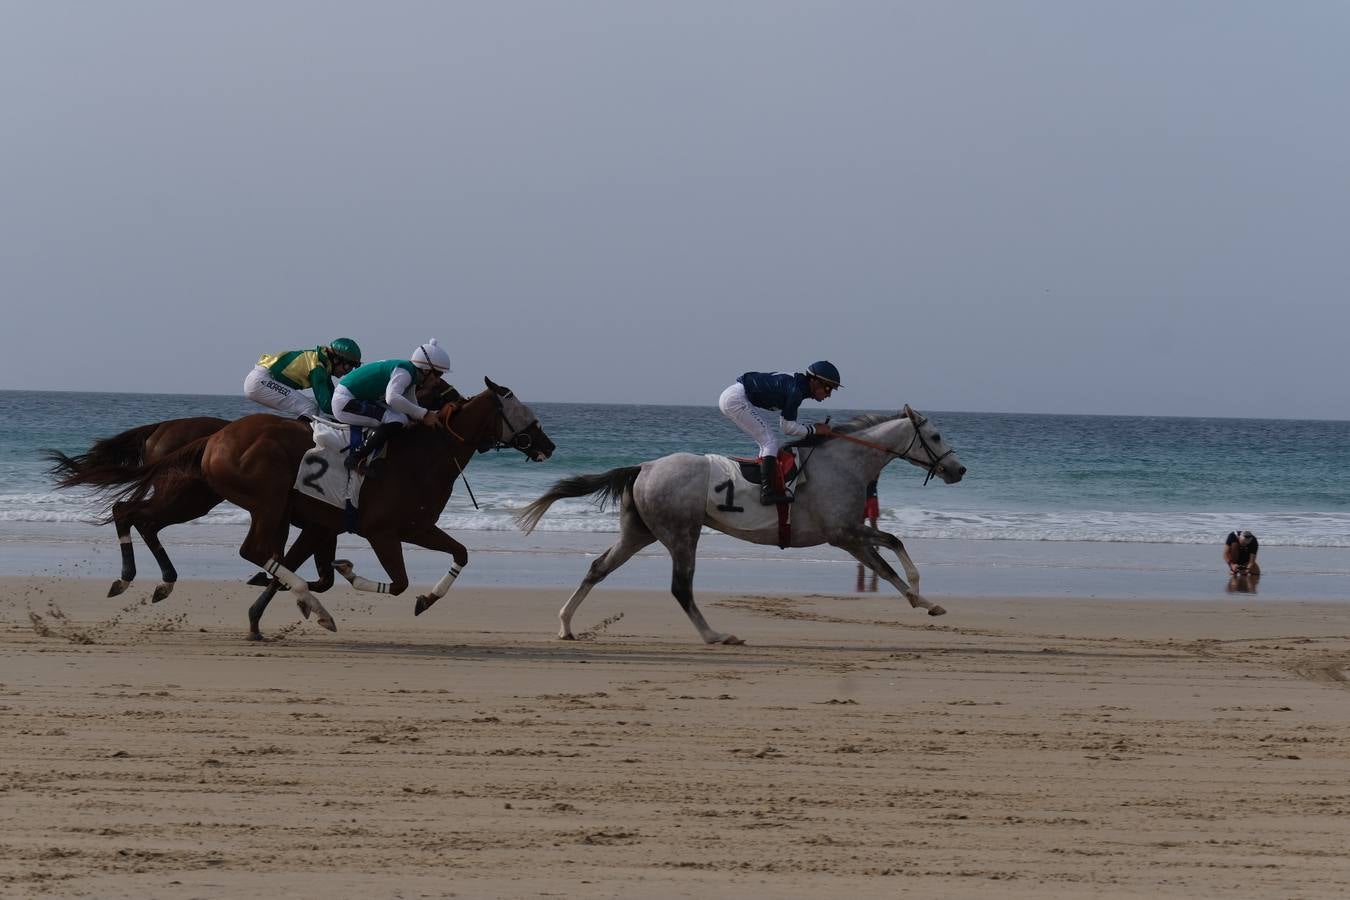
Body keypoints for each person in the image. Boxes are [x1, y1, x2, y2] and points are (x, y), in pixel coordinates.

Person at [718, 360, 841, 504]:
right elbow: (787, 427)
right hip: (735, 399)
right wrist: (814, 430)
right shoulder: (796, 390)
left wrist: (813, 429)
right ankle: (766, 492)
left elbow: (787, 425)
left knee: (767, 442)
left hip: (736, 396)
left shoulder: (799, 386)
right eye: (828, 388)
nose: (829, 394)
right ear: (815, 381)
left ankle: (762, 482)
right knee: (770, 442)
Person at [332, 339, 451, 471]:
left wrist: (422, 417)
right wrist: (424, 414)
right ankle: (355, 458)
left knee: (403, 418)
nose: (438, 381)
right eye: (438, 374)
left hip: (355, 399)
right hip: (344, 403)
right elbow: (392, 398)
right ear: (426, 370)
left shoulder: (410, 374)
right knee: (397, 419)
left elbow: (411, 402)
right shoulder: (404, 372)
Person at [243, 339, 363, 418]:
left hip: (261, 379)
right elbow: (326, 406)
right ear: (337, 359)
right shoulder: (318, 367)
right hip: (261, 381)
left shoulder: (322, 364)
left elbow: (332, 400)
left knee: (311, 409)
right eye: (348, 366)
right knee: (310, 408)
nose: (347, 372)